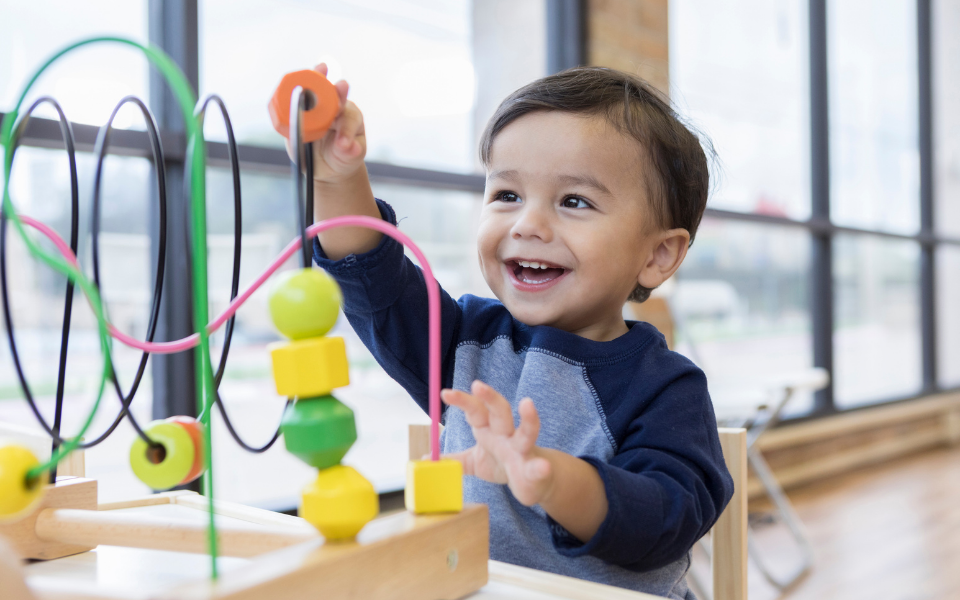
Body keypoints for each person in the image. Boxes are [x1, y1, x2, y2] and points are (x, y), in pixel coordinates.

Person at [304, 64, 733, 599]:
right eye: (506, 194)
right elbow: (374, 277)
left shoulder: (667, 388)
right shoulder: (465, 340)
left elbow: (665, 519)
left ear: (657, 254)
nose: (527, 224)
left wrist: (550, 479)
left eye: (574, 201)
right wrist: (337, 178)